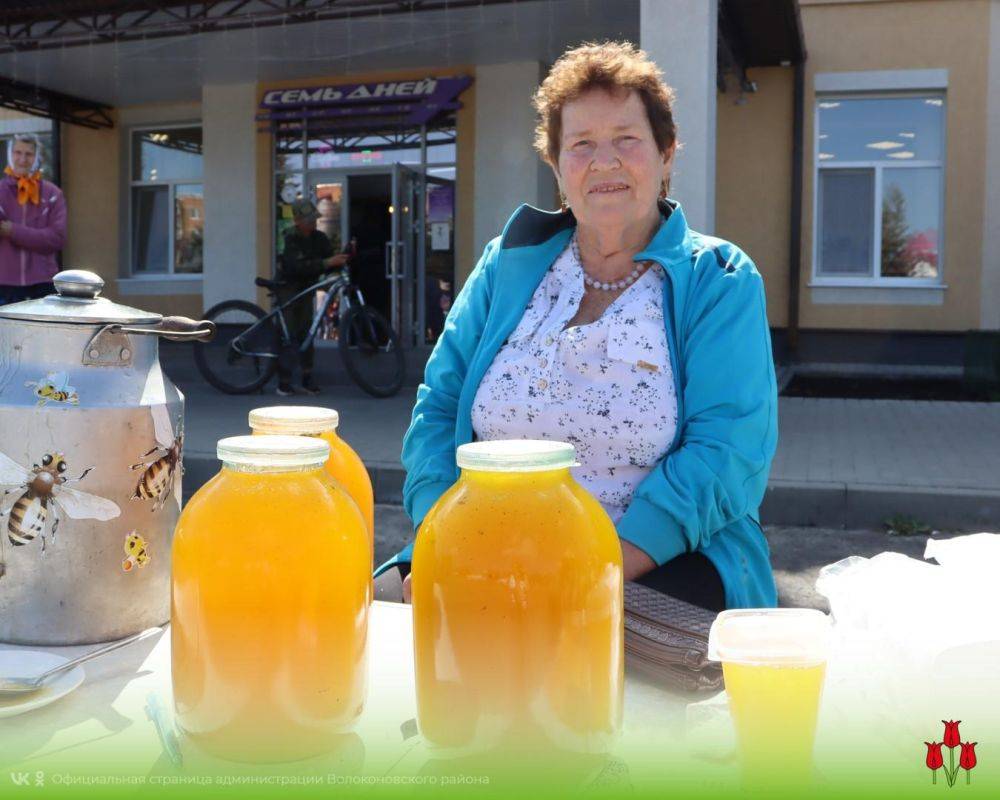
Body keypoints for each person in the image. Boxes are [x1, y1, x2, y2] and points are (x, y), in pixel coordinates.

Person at [375, 41, 778, 612]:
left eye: (626, 140)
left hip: (649, 556)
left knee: (549, 656)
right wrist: (448, 545)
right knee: (363, 634)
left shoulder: (719, 278)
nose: (604, 161)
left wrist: (581, 573)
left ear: (665, 155)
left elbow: (725, 453)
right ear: (558, 167)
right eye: (581, 144)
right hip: (483, 547)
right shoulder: (507, 263)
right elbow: (437, 411)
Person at [276, 199, 349, 396]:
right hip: (288, 288)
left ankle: (307, 378)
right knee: (289, 335)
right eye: (308, 220)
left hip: (307, 289)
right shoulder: (289, 238)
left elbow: (329, 259)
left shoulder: (319, 238)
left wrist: (343, 257)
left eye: (314, 219)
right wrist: (326, 263)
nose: (313, 223)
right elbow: (295, 267)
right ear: (298, 220)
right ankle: (283, 381)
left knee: (306, 333)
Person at [0, 134, 67, 306]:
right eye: (17, 152)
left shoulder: (53, 193)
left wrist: (12, 231)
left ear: (36, 157)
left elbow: (56, 239)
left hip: (43, 284)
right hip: (4, 285)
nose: (22, 159)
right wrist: (36, 237)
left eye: (28, 154)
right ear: (10, 154)